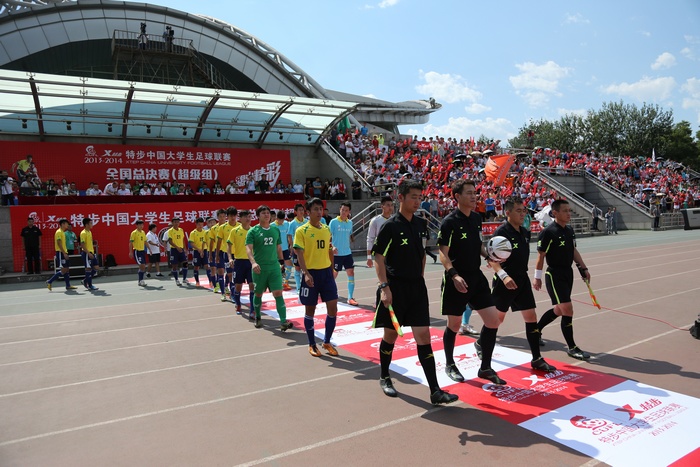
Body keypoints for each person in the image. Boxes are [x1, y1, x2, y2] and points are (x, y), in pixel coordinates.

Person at [372, 179, 458, 405]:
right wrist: (384, 287)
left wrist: (419, 277)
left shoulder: (421, 223)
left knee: (424, 337)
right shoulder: (390, 226)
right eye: (413, 197)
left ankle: (435, 391)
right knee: (390, 336)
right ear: (400, 198)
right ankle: (384, 376)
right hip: (395, 289)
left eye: (420, 197)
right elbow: (378, 257)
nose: (418, 201)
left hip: (417, 288)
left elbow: (422, 254)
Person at [437, 179, 506, 386]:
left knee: (493, 321)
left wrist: (489, 256)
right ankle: (450, 364)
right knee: (454, 324)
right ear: (457, 197)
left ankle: (485, 367)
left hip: (476, 277)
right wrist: (454, 275)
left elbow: (478, 245)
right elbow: (442, 253)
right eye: (469, 193)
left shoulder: (476, 218)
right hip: (457, 279)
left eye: (475, 192)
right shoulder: (449, 222)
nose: (474, 196)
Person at [488, 198, 556, 371]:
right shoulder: (501, 233)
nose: (522, 214)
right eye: (518, 211)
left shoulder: (524, 232)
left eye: (524, 210)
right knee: (497, 319)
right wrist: (504, 276)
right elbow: (492, 260)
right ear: (508, 213)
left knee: (531, 317)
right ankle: (482, 343)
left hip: (522, 279)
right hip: (505, 281)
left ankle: (536, 358)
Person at [533, 199, 592, 360]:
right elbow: (541, 256)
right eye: (565, 211)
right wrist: (537, 278)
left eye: (569, 210)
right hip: (554, 275)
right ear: (555, 213)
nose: (568, 213)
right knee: (567, 309)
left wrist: (583, 268)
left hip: (568, 273)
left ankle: (536, 330)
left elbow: (573, 251)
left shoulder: (569, 230)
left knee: (559, 310)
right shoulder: (548, 232)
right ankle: (572, 347)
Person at [293, 198, 339, 357]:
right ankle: (312, 344)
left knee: (333, 308)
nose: (319, 212)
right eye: (316, 209)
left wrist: (332, 269)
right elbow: (299, 254)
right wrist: (306, 273)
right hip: (311, 274)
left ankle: (327, 341)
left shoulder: (326, 229)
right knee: (310, 310)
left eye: (321, 209)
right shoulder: (301, 231)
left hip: (326, 273)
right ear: (308, 212)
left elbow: (329, 250)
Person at [246, 205, 294, 331]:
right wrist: (253, 263)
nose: (266, 215)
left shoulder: (275, 230)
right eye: (263, 213)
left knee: (278, 293)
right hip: (259, 269)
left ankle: (283, 321)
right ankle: (258, 317)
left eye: (268, 213)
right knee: (258, 294)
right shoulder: (253, 231)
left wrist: (281, 262)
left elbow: (278, 247)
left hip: (274, 268)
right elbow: (248, 249)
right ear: (258, 216)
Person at [329, 202, 358, 306]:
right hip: (336, 254)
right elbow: (327, 236)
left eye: (346, 210)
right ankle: (329, 292)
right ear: (339, 210)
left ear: (349, 212)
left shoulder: (350, 223)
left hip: (347, 253)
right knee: (334, 275)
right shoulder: (333, 222)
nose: (344, 212)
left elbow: (350, 234)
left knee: (351, 273)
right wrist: (332, 247)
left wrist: (351, 239)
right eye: (342, 210)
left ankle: (350, 297)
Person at [227, 210, 254, 316]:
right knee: (238, 286)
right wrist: (230, 258)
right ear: (240, 219)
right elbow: (229, 246)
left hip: (251, 262)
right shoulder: (235, 231)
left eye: (249, 217)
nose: (248, 219)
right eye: (245, 217)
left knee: (252, 286)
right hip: (239, 262)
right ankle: (238, 304)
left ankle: (252, 310)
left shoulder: (253, 230)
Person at [45, 219, 77, 291]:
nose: (67, 225)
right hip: (60, 253)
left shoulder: (63, 232)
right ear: (63, 224)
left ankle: (68, 285)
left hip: (64, 252)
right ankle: (49, 281)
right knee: (64, 269)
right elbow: (59, 243)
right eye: (66, 224)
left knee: (67, 269)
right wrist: (64, 253)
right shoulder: (59, 232)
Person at [215, 206, 238, 300]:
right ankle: (228, 294)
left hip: (238, 254)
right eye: (231, 216)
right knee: (229, 274)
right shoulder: (222, 227)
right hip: (226, 254)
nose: (233, 218)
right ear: (227, 216)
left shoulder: (240, 226)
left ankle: (226, 287)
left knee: (234, 275)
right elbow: (219, 242)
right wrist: (217, 255)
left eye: (234, 215)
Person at [366, 196, 394, 269]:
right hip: (381, 252)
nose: (390, 207)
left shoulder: (395, 220)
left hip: (393, 252)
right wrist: (369, 257)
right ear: (382, 206)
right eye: (388, 205)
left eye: (392, 205)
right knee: (383, 273)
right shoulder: (375, 221)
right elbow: (370, 238)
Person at [287, 203, 307, 295]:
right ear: (295, 212)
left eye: (302, 210)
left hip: (306, 249)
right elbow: (290, 236)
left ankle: (305, 285)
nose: (301, 212)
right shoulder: (292, 223)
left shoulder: (306, 222)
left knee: (305, 268)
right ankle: (298, 287)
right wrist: (292, 246)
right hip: (297, 249)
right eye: (299, 210)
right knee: (297, 267)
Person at [208, 209, 226, 293]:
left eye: (223, 216)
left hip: (229, 251)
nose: (222, 218)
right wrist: (210, 254)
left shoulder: (229, 227)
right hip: (218, 251)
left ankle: (226, 285)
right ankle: (219, 288)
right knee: (220, 270)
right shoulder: (214, 228)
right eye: (220, 216)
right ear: (217, 217)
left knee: (230, 272)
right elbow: (211, 242)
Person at [274, 210, 293, 291]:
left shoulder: (287, 224)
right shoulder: (272, 226)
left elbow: (289, 236)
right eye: (280, 220)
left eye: (282, 220)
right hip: (276, 250)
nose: (281, 222)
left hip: (285, 249)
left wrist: (291, 245)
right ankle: (277, 282)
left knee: (289, 265)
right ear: (277, 218)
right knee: (278, 267)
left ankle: (285, 282)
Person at [79, 217, 99, 291]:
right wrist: (88, 253)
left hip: (91, 252)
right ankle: (90, 285)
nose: (92, 224)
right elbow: (82, 244)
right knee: (88, 269)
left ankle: (85, 280)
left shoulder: (89, 232)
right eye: (90, 223)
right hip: (86, 253)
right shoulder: (83, 233)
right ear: (86, 224)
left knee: (96, 267)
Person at [167, 217, 188, 286]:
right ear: (172, 223)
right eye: (175, 222)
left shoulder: (181, 230)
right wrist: (177, 247)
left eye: (178, 222)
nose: (176, 223)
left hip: (181, 249)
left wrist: (185, 248)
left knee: (185, 263)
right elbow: (170, 241)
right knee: (174, 265)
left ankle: (184, 279)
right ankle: (176, 280)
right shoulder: (170, 231)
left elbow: (183, 240)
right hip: (174, 250)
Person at [189, 217, 208, 287]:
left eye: (201, 224)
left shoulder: (205, 232)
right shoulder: (193, 233)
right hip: (196, 251)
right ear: (196, 224)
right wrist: (198, 249)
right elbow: (191, 243)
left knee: (207, 266)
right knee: (196, 266)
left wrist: (203, 250)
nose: (200, 226)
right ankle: (197, 281)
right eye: (199, 224)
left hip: (205, 250)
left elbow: (206, 242)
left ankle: (211, 281)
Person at [129, 220, 148, 286]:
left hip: (142, 251)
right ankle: (141, 280)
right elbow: (130, 243)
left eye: (142, 225)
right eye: (140, 225)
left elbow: (145, 241)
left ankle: (140, 280)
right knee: (142, 265)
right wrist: (130, 252)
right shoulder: (134, 233)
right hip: (137, 251)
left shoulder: (143, 232)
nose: (141, 226)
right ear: (136, 225)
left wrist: (149, 249)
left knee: (143, 266)